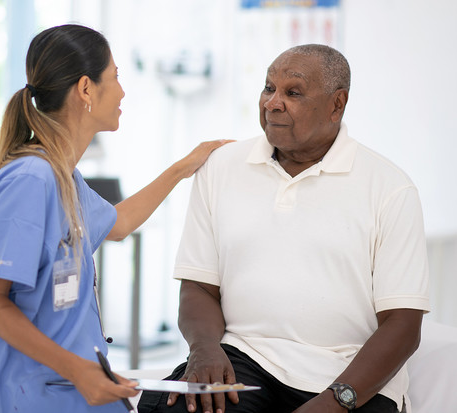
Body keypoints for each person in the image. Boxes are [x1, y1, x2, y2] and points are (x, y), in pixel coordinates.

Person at [138, 44, 430, 413]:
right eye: (268, 88)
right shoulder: (222, 168)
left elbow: (403, 325)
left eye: (293, 92)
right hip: (244, 359)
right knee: (170, 408)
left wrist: (335, 401)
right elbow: (198, 285)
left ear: (336, 105)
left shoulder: (389, 188)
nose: (272, 103)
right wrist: (204, 349)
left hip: (346, 373)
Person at [0, 24, 230, 413]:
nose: (122, 91)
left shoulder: (63, 176)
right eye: (116, 77)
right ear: (86, 89)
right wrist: (78, 370)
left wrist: (184, 167)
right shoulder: (30, 180)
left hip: (69, 389)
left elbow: (117, 224)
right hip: (34, 396)